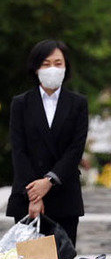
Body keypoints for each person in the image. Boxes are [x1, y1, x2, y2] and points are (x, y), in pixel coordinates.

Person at [7, 40, 88, 246]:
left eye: (58, 63)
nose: (52, 68)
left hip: (64, 194)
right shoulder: (21, 103)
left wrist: (49, 181)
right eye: (46, 63)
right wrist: (34, 196)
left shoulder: (77, 103)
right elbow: (19, 150)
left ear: (66, 66)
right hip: (28, 195)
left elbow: (75, 149)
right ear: (35, 68)